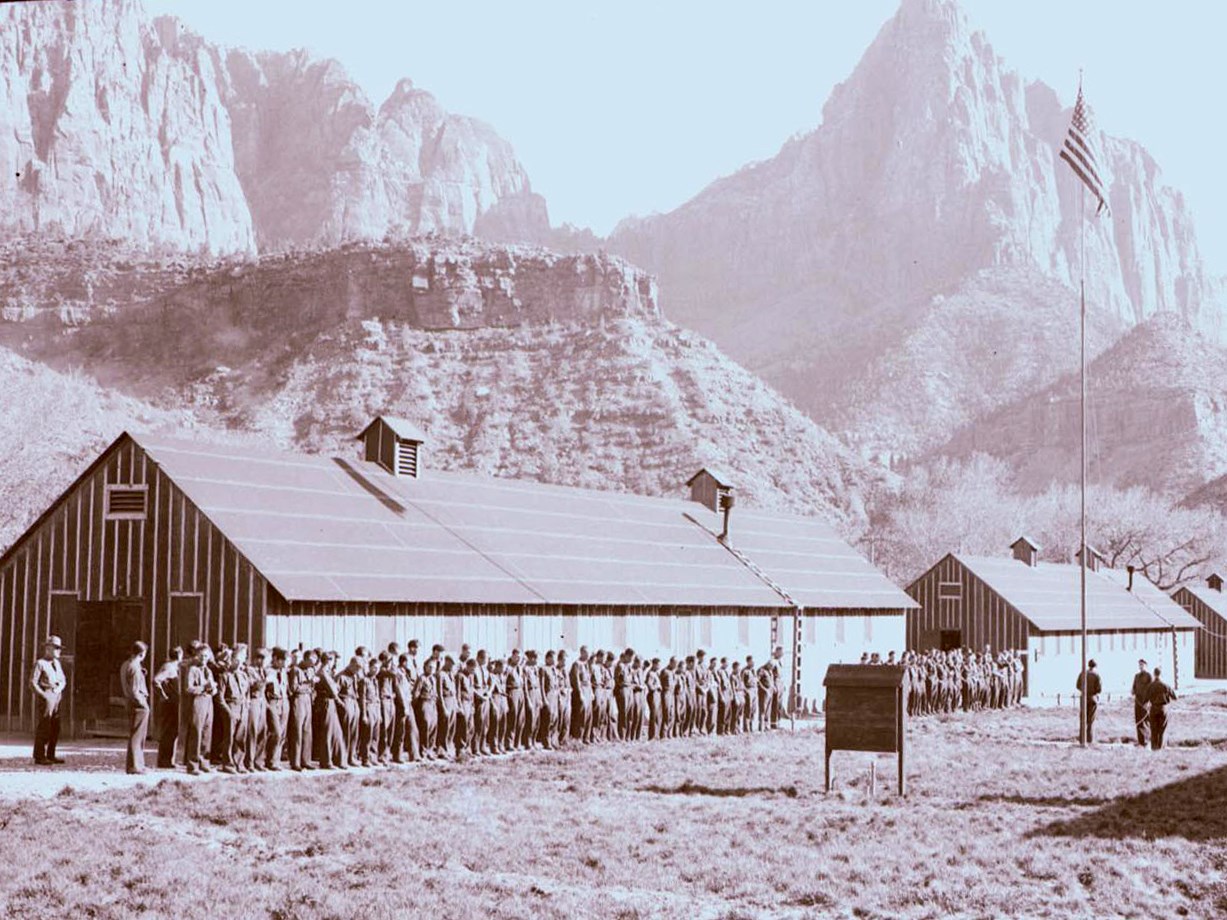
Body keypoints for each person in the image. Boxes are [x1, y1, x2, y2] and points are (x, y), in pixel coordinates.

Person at [31, 635, 67, 765]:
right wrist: (43, 695)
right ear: (48, 648)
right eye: (56, 648)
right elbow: (33, 683)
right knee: (44, 726)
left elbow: (63, 679)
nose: (59, 651)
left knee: (55, 726)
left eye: (59, 648)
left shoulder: (57, 663)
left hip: (57, 695)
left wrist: (60, 688)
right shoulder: (40, 663)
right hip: (47, 695)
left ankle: (51, 754)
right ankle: (39, 756)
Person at [184, 645, 217, 775]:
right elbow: (188, 688)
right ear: (197, 656)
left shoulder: (208, 670)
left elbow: (213, 688)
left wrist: (213, 689)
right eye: (201, 656)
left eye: (206, 656)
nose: (204, 658)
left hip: (208, 701)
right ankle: (193, 765)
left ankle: (204, 762)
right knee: (196, 732)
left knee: (206, 732)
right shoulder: (193, 670)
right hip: (197, 701)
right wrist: (204, 686)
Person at [120, 640, 150, 774]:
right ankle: (135, 766)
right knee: (137, 735)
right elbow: (135, 690)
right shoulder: (135, 667)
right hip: (138, 703)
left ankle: (138, 764)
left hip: (130, 702)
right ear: (142, 653)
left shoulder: (126, 664)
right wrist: (143, 704)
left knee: (135, 734)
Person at [152, 646, 183, 769]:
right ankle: (164, 761)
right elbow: (156, 680)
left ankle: (168, 760)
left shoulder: (173, 667)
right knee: (168, 732)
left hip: (173, 703)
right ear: (180, 655)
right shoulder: (169, 667)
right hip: (169, 704)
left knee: (172, 732)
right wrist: (163, 695)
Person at [264, 648, 290, 770]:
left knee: (282, 734)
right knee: (276, 732)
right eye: (282, 660)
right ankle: (270, 760)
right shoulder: (268, 671)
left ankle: (276, 760)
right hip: (273, 701)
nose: (285, 663)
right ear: (275, 659)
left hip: (283, 701)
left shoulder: (283, 672)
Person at [1146, 667, 1177, 751]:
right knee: (1162, 729)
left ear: (1154, 674)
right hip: (1163, 708)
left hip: (1153, 708)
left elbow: (1145, 699)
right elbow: (1174, 697)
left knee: (1153, 729)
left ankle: (1154, 747)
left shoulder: (1150, 686)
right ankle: (1161, 748)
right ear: (1161, 674)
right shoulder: (1165, 685)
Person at [1075, 659, 1102, 743]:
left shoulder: (1082, 674)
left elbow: (1077, 686)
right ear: (1095, 666)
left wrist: (1084, 690)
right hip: (1092, 698)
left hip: (1083, 698)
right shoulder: (1097, 675)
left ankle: (1082, 739)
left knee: (1083, 718)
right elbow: (1099, 689)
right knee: (1091, 720)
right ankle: (1089, 739)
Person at [1131, 659, 1152, 747]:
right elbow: (1134, 688)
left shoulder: (1149, 676)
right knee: (1138, 721)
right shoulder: (1136, 676)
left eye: (1142, 665)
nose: (1140, 667)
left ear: (1146, 666)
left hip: (1145, 702)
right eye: (1139, 665)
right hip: (1138, 702)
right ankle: (1140, 741)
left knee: (1145, 721)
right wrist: (1133, 691)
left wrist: (1149, 701)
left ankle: (1146, 740)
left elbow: (1151, 689)